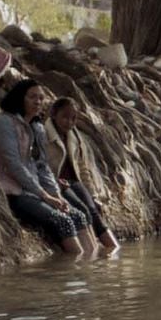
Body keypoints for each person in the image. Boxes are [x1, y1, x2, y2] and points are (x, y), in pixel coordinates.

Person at [0, 80, 93, 256]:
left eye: (41, 98)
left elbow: (43, 167)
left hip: (35, 190)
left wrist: (56, 195)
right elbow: (14, 165)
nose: (38, 102)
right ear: (20, 98)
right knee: (62, 221)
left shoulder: (37, 127)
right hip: (12, 190)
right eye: (32, 97)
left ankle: (92, 269)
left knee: (78, 215)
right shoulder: (4, 122)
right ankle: (79, 270)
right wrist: (45, 196)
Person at [44, 97, 120, 251]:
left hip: (74, 181)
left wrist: (93, 195)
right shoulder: (43, 134)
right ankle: (92, 251)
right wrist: (53, 181)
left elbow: (82, 167)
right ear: (53, 114)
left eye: (73, 118)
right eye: (65, 117)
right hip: (57, 183)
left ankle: (113, 249)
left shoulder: (74, 136)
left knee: (94, 210)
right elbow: (39, 164)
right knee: (83, 211)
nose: (69, 122)